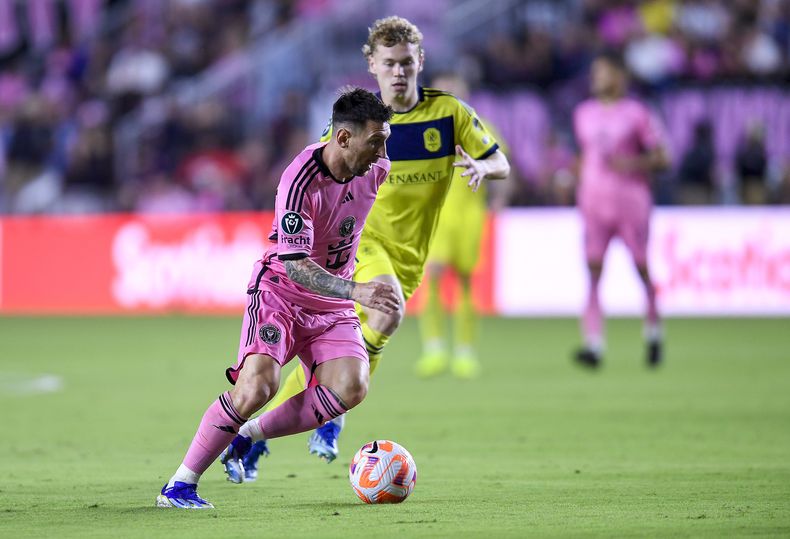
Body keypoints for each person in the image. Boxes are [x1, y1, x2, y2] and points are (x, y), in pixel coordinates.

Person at [228, 16, 510, 480]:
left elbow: (496, 157)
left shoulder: (450, 114)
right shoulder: (363, 123)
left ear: (419, 61)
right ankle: (333, 417)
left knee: (337, 360)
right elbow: (317, 169)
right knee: (387, 311)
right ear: (372, 66)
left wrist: (486, 170)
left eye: (406, 63)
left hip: (410, 254)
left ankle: (255, 435)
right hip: (363, 244)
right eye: (388, 64)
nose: (398, 72)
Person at [156, 87, 399, 509]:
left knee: (352, 386)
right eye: (376, 140)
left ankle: (248, 436)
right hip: (281, 295)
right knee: (256, 387)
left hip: (332, 304)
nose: (382, 150)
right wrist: (358, 290)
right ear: (343, 139)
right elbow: (295, 264)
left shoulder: (377, 168)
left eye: (385, 140)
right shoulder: (299, 179)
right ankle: (179, 485)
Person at [572, 52, 670, 369]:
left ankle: (654, 330)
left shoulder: (637, 113)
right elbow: (586, 156)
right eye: (594, 73)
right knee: (593, 270)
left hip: (631, 201)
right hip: (593, 203)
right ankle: (594, 344)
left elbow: (663, 157)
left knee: (641, 267)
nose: (595, 79)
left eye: (602, 73)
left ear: (619, 77)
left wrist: (632, 164)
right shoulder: (583, 113)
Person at [415, 72, 510, 379]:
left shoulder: (480, 128)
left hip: (470, 214)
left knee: (467, 280)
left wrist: (500, 200)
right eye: (445, 89)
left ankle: (465, 352)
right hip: (437, 215)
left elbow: (503, 166)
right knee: (434, 276)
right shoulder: (422, 129)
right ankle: (434, 349)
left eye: (456, 88)